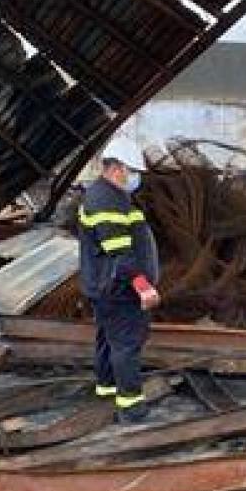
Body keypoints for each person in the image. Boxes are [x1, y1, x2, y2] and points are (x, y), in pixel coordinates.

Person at [77, 153, 161, 423]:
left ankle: (107, 387)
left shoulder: (110, 195)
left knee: (108, 338)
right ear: (116, 169)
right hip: (118, 288)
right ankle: (131, 406)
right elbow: (120, 254)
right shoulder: (106, 201)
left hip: (104, 286)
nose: (135, 177)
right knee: (126, 343)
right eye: (132, 170)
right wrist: (143, 286)